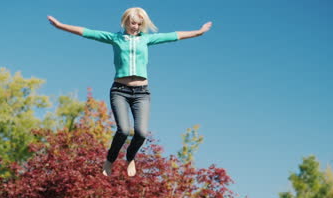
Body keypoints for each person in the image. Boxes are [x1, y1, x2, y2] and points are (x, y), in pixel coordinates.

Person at [48, 7, 212, 177]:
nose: (135, 27)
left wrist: (198, 32)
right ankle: (110, 159)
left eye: (139, 24)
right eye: (133, 23)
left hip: (142, 93)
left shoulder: (146, 39)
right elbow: (88, 32)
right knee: (123, 130)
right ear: (125, 21)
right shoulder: (115, 38)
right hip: (120, 91)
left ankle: (130, 157)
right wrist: (60, 26)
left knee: (141, 133)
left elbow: (173, 36)